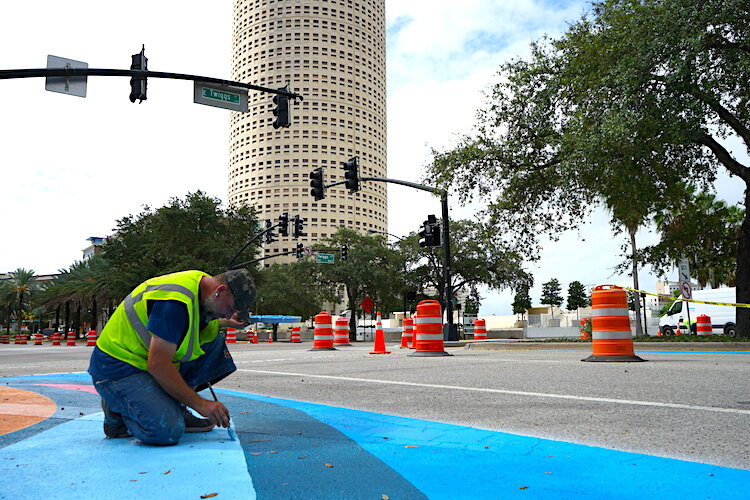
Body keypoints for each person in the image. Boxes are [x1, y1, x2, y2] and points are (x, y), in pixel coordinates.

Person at [88, 269, 256, 445]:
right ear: (219, 291)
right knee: (167, 431)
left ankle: (172, 403)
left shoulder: (200, 285)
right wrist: (200, 404)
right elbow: (159, 364)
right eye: (230, 308)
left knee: (213, 343)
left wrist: (225, 321)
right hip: (118, 368)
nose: (230, 314)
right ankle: (118, 414)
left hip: (144, 361)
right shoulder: (174, 301)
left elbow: (186, 322)